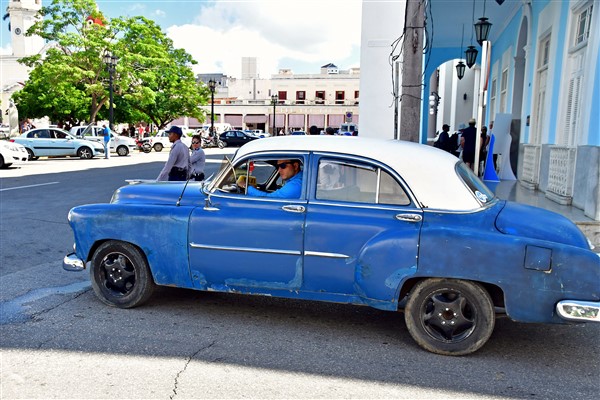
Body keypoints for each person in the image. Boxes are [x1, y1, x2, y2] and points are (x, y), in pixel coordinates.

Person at [237, 159, 302, 199]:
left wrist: (246, 186)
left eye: (283, 166)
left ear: (295, 166)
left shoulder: (295, 185)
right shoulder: (300, 179)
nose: (279, 170)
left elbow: (268, 198)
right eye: (278, 167)